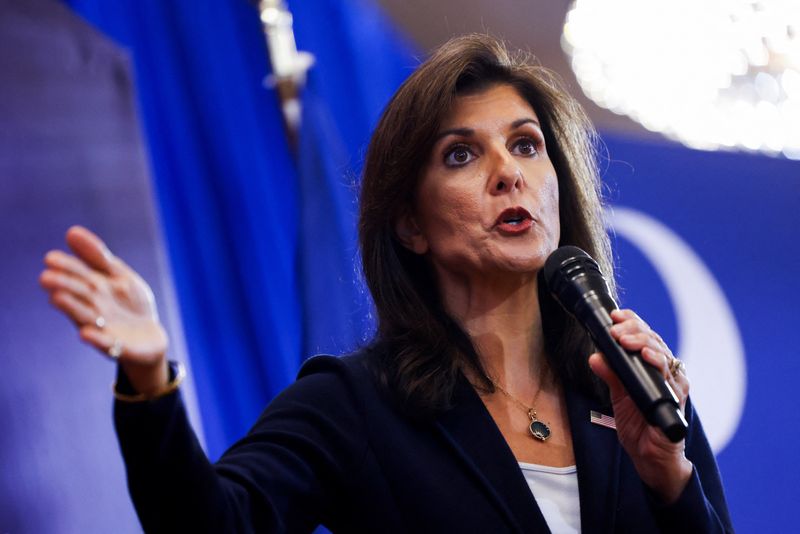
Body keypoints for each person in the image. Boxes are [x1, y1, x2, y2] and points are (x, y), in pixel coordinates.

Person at [39, 34, 732, 532]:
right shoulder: (356, 405)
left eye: (525, 144)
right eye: (461, 154)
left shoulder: (637, 387)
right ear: (410, 226)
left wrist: (670, 482)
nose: (507, 172)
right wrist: (149, 383)